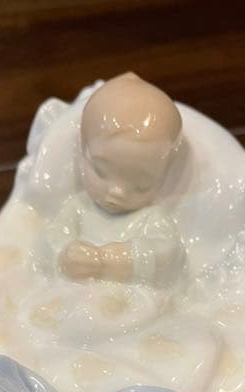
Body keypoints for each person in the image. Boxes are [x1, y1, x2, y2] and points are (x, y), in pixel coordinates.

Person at [39, 72, 186, 288]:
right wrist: (65, 254)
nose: (117, 191)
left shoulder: (150, 219)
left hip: (129, 302)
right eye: (101, 172)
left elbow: (167, 253)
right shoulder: (78, 207)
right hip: (74, 297)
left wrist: (113, 261)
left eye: (141, 184)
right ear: (82, 152)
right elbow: (52, 237)